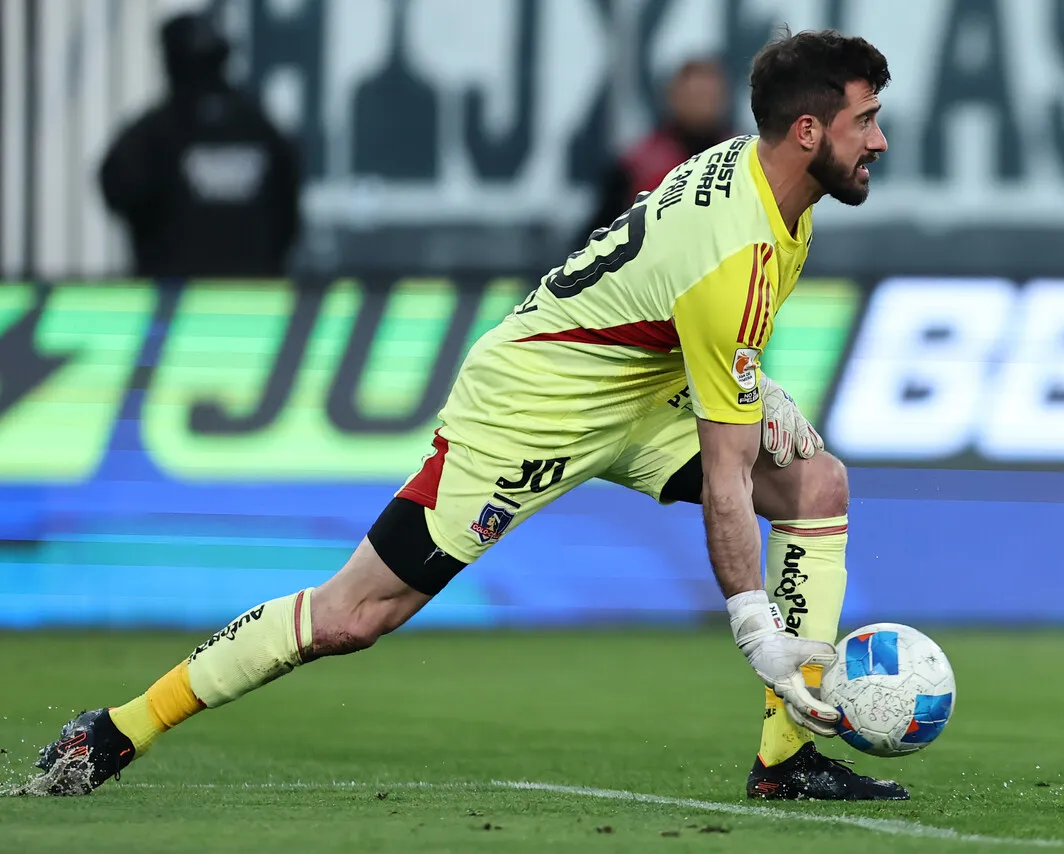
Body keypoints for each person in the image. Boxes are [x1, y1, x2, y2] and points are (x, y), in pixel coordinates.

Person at [32, 29, 896, 802]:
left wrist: (748, 374)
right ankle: (118, 727)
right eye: (866, 122)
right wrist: (757, 631)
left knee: (816, 483)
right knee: (351, 617)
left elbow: (685, 303)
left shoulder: (762, 179)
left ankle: (786, 762)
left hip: (632, 389)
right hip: (531, 408)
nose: (880, 141)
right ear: (808, 131)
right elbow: (724, 475)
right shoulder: (738, 249)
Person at [98, 12, 301, 278]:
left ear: (170, 60)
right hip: (253, 303)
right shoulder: (262, 129)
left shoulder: (153, 133)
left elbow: (117, 191)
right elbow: (289, 218)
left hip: (172, 302)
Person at [577, 58, 732, 245]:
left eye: (709, 98)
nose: (702, 106)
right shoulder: (636, 166)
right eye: (693, 97)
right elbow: (598, 240)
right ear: (673, 98)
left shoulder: (744, 159)